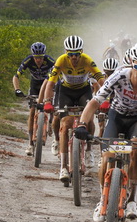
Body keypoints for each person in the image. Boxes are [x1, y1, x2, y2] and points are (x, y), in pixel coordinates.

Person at [74, 42, 137, 222]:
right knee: (107, 157)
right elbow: (94, 102)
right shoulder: (119, 75)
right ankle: (102, 200)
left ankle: (133, 199)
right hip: (117, 116)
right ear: (132, 63)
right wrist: (82, 124)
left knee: (136, 151)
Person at [39, 35, 105, 185]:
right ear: (66, 52)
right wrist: (47, 102)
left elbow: (101, 80)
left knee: (88, 119)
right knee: (64, 124)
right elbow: (50, 84)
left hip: (83, 91)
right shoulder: (61, 60)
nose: (74, 57)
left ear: (81, 52)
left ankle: (89, 150)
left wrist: (105, 99)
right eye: (71, 54)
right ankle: (63, 166)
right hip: (66, 92)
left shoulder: (87, 60)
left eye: (77, 54)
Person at [12, 42, 55, 153]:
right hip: (34, 86)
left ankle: (51, 121)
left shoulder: (49, 60)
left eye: (40, 57)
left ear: (44, 56)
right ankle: (30, 144)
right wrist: (17, 89)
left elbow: (59, 74)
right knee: (32, 112)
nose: (38, 60)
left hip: (47, 85)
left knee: (51, 105)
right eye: (36, 57)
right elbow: (16, 76)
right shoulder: (28, 60)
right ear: (33, 56)